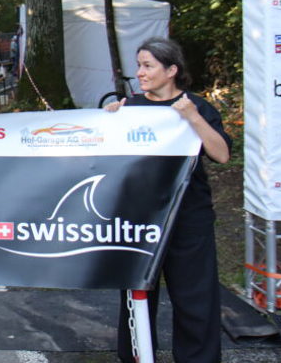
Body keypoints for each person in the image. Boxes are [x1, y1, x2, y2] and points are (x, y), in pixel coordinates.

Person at [104, 37, 231, 363]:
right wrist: (108, 120)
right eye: (139, 65)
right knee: (136, 295)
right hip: (139, 217)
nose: (140, 73)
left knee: (195, 296)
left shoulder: (197, 106)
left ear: (172, 70)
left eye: (148, 66)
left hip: (188, 215)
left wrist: (193, 117)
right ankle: (136, 356)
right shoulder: (129, 108)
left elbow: (222, 154)